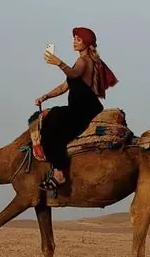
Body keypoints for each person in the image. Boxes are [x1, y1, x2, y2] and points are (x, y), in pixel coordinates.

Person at [34, 27, 118, 193]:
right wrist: (45, 96)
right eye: (74, 38)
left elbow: (72, 75)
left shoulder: (83, 61)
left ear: (86, 43)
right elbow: (65, 86)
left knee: (52, 124)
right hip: (82, 108)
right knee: (54, 116)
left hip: (83, 110)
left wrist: (59, 62)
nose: (74, 41)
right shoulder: (85, 61)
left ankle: (58, 173)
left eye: (78, 39)